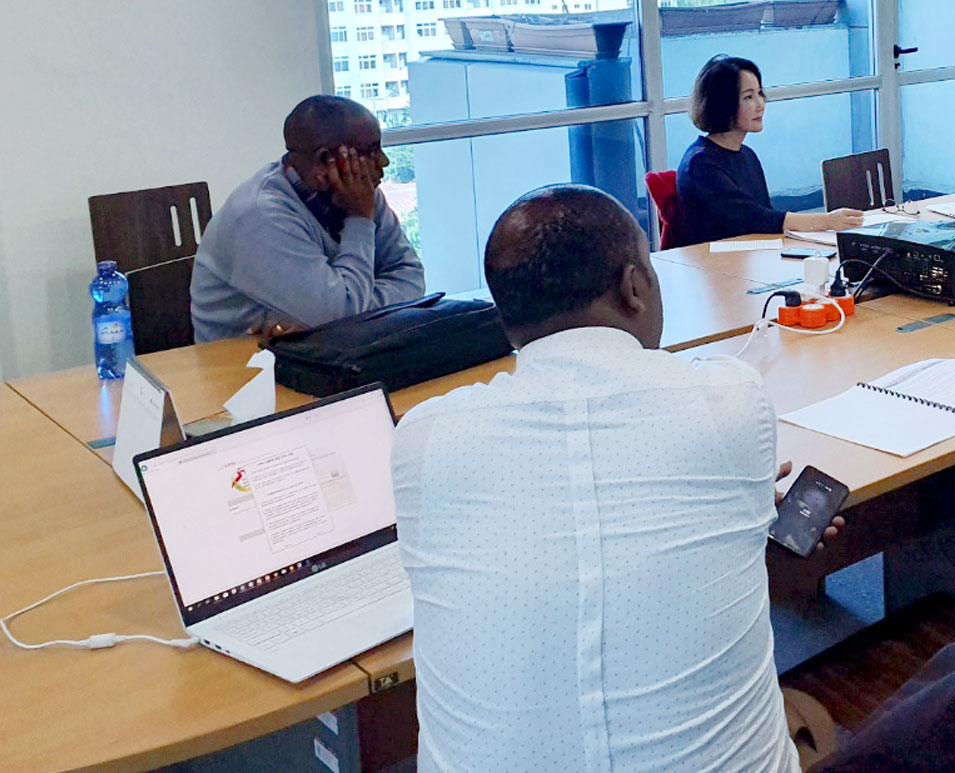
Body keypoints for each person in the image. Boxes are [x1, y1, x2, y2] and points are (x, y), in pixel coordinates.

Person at [392, 185, 836, 773]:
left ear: (507, 317)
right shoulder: (729, 398)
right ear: (634, 286)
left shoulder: (424, 438)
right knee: (810, 714)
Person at [190, 95, 424, 342]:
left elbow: (411, 276)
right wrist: (359, 220)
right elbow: (340, 315)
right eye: (371, 151)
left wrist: (336, 315)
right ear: (325, 160)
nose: (384, 162)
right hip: (243, 370)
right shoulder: (259, 213)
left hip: (328, 352)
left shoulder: (361, 194)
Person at [675, 55, 863, 245]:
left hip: (750, 254)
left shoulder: (746, 154)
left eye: (760, 94)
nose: (760, 105)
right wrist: (826, 221)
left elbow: (765, 220)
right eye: (748, 97)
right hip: (713, 264)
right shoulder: (700, 163)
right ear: (723, 104)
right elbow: (755, 219)